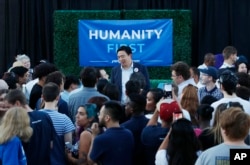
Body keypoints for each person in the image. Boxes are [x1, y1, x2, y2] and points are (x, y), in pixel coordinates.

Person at [4, 89, 56, 165]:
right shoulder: (45, 116)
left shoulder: (18, 123)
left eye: (8, 107)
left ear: (17, 103)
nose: (7, 111)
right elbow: (51, 144)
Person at [88, 101, 134, 165]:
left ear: (107, 118)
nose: (98, 117)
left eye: (100, 114)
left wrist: (94, 135)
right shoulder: (129, 134)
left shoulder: (100, 139)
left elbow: (90, 161)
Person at [40, 82, 75, 165]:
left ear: (42, 97)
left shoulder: (35, 117)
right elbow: (68, 146)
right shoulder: (65, 119)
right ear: (58, 97)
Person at [121, 93, 149, 165]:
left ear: (132, 109)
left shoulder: (124, 127)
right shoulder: (152, 124)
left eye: (127, 104)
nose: (125, 107)